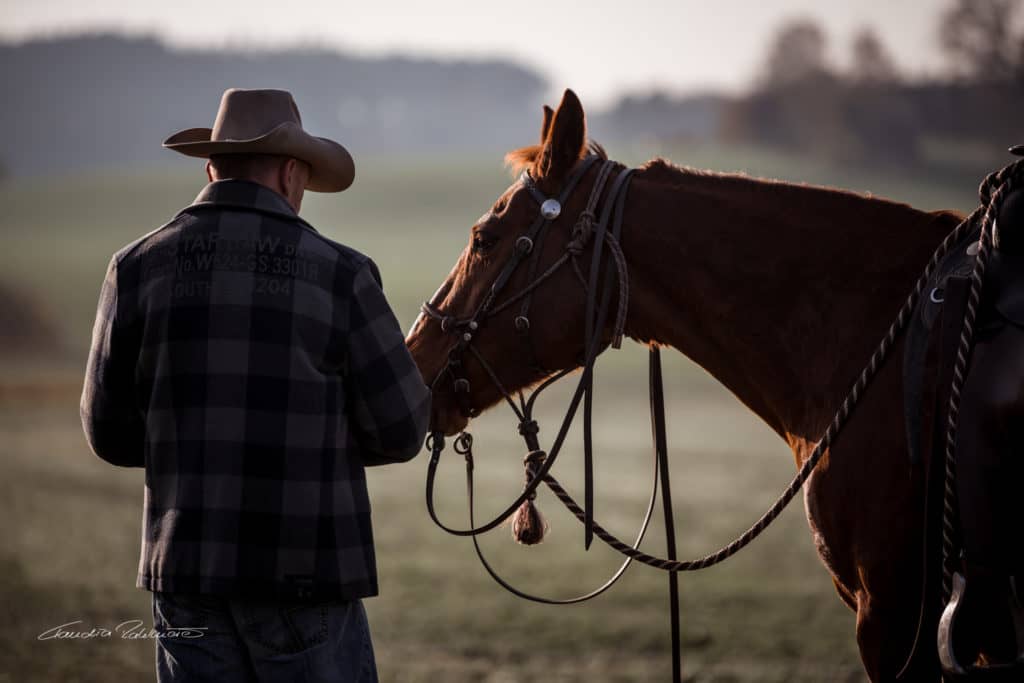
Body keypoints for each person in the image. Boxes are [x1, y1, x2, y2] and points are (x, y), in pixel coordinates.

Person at [80, 88, 431, 682]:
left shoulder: (134, 267)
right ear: (293, 173)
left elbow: (108, 434)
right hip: (306, 571)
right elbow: (400, 429)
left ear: (212, 167)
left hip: (185, 572)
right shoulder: (344, 273)